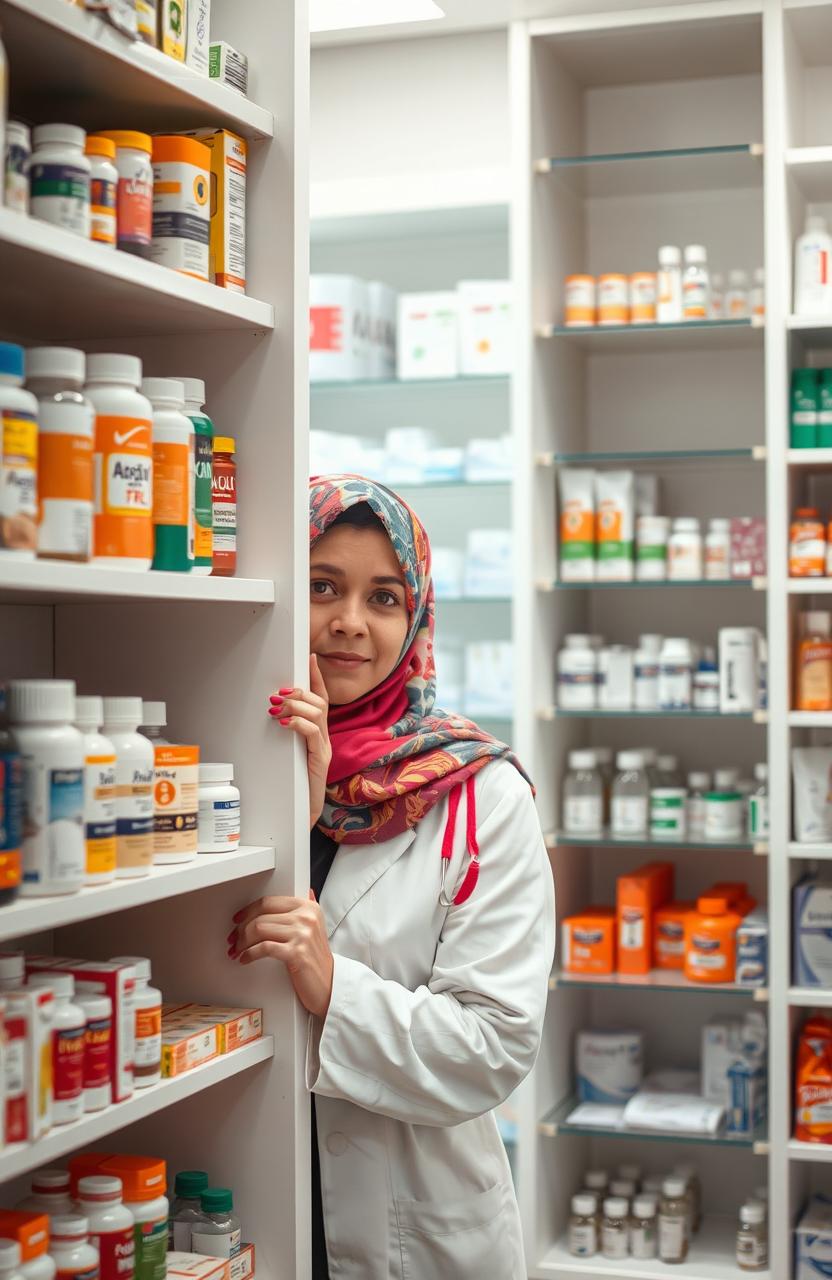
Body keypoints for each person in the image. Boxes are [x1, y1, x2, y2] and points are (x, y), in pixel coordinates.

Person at [228, 475, 555, 1279]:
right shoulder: (225, 760)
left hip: (414, 1226)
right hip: (244, 1192)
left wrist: (333, 984)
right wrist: (292, 821)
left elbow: (493, 1046)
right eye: (322, 586)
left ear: (416, 620)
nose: (349, 623)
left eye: (384, 597)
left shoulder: (480, 792)